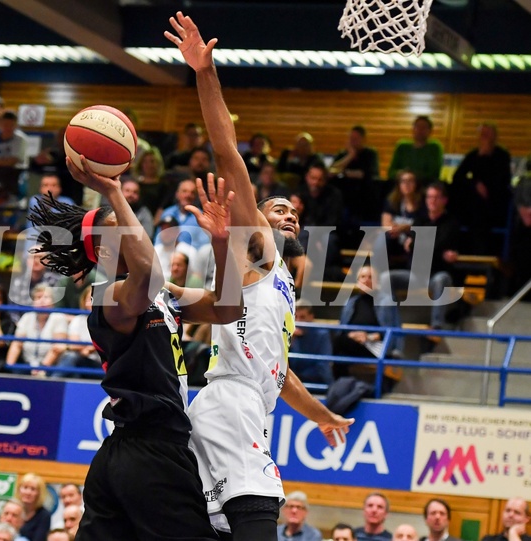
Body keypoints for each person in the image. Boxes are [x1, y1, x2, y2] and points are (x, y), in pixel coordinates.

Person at [166, 12, 353, 540]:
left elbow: (283, 377)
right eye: (277, 208)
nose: (288, 215)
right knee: (260, 516)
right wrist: (205, 73)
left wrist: (320, 416)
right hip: (231, 404)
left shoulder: (277, 285)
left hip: (238, 403)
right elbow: (229, 153)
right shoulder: (260, 248)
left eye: (293, 213)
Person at [29, 150, 243, 540]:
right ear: (108, 250)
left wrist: (222, 243)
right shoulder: (109, 298)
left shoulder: (165, 295)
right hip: (151, 453)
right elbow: (147, 272)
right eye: (126, 232)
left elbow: (228, 308)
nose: (139, 237)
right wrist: (113, 191)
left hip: (132, 454)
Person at [380, 181, 460, 331]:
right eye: (429, 197)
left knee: (442, 279)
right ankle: (391, 323)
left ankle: (437, 325)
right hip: (415, 274)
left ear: (444, 200)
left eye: (436, 197)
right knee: (385, 278)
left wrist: (415, 244)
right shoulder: (420, 220)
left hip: (435, 274)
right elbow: (431, 247)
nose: (432, 201)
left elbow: (436, 246)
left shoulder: (451, 223)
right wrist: (425, 246)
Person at [332, 265, 404, 390]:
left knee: (340, 344)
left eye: (371, 277)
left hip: (376, 346)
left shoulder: (386, 301)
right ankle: (340, 389)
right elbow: (342, 329)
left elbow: (393, 329)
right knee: (337, 345)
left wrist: (368, 337)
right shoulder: (351, 303)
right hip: (353, 344)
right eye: (363, 277)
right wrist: (352, 335)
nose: (366, 280)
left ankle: (357, 390)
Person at [451, 122, 512, 254]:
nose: (484, 137)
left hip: (495, 201)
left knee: (479, 208)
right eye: (482, 134)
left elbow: (502, 180)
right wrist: (475, 183)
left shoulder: (502, 155)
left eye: (487, 134)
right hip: (474, 201)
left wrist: (483, 158)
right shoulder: (473, 155)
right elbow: (457, 176)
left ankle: (479, 252)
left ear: (494, 136)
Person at [5, 284, 69, 375]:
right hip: (28, 364)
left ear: (53, 302)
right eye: (38, 297)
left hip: (51, 366)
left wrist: (41, 368)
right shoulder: (27, 317)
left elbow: (57, 348)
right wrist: (9, 367)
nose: (42, 301)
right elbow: (16, 345)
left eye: (46, 297)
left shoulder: (58, 317)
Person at [157, 178, 211, 249]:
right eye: (184, 191)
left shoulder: (201, 216)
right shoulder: (167, 213)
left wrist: (183, 252)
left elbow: (204, 245)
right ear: (177, 194)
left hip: (192, 256)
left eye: (192, 192)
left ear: (196, 197)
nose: (188, 195)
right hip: (166, 254)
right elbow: (158, 240)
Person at [388, 116, 443, 185]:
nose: (420, 130)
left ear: (430, 131)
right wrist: (400, 174)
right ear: (413, 129)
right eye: (417, 127)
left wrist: (410, 176)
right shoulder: (402, 147)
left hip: (424, 187)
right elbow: (391, 172)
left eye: (423, 128)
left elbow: (434, 173)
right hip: (402, 187)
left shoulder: (434, 148)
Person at [290, 300, 333, 386]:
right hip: (294, 381)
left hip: (316, 380)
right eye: (295, 317)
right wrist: (290, 342)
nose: (298, 321)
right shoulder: (289, 334)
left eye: (302, 317)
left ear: (311, 317)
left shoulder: (322, 335)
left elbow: (322, 366)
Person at [16, 473, 50, 541]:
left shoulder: (44, 515)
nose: (28, 492)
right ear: (19, 490)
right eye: (25, 487)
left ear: (39, 493)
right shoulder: (12, 509)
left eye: (33, 489)